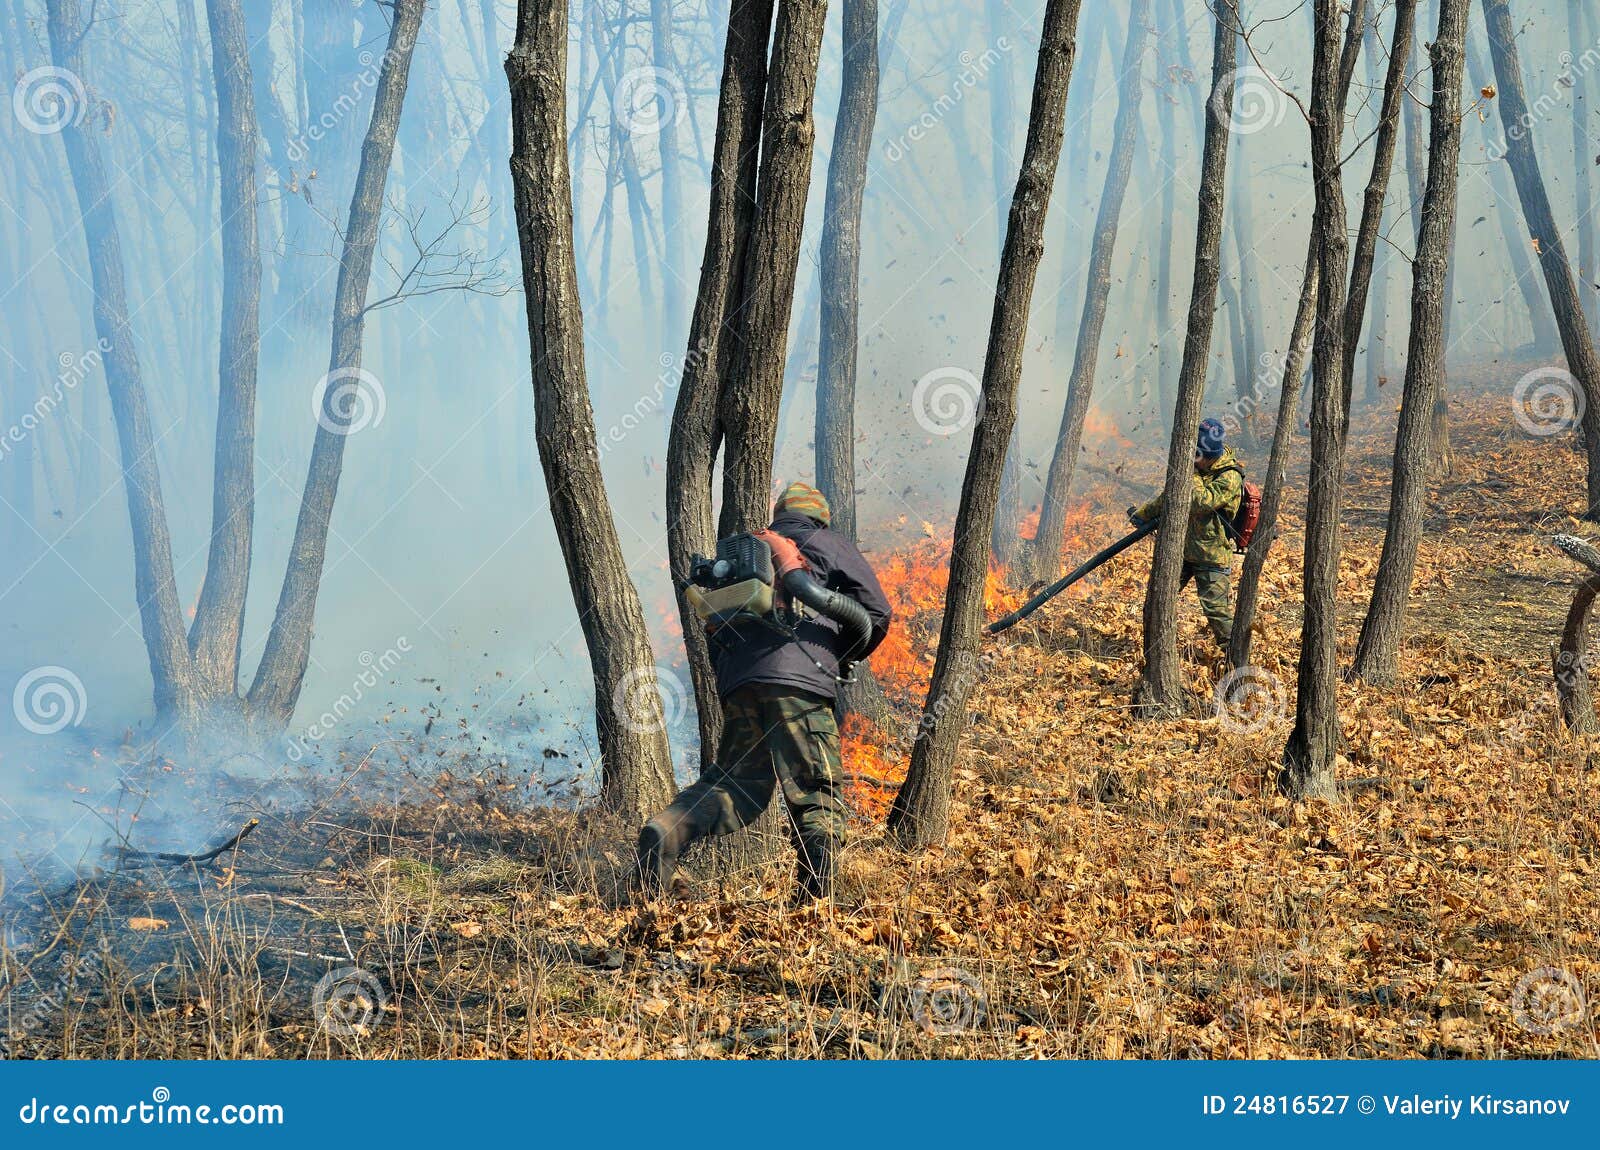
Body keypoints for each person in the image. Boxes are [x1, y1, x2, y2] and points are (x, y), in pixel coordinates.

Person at [637, 481, 893, 904]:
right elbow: (876, 612)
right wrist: (841, 657)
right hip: (800, 681)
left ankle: (667, 829)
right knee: (816, 788)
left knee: (735, 783)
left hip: (740, 684)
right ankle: (816, 905)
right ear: (819, 517)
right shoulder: (826, 541)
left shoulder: (744, 553)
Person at [1128, 418, 1244, 648]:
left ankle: (1234, 658)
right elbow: (1169, 497)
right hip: (1179, 552)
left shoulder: (1230, 476)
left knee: (1217, 612)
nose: (1196, 460)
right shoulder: (1196, 470)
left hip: (1210, 555)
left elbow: (1201, 501)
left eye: (1199, 457)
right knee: (1156, 601)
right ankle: (1154, 651)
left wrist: (1190, 474)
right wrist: (1143, 515)